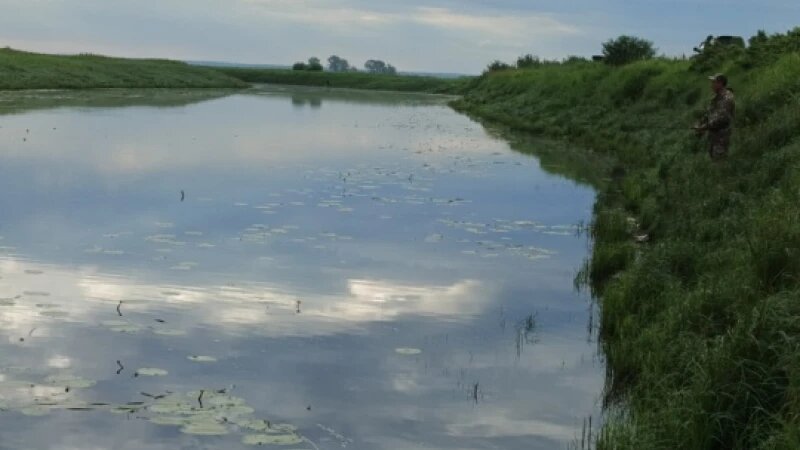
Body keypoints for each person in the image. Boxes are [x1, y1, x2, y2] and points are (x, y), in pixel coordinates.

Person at [694, 73, 736, 161]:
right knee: (713, 162)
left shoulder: (727, 98)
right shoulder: (716, 98)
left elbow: (721, 119)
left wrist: (704, 127)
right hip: (714, 138)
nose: (711, 85)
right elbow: (709, 114)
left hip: (721, 138)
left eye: (714, 82)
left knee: (719, 164)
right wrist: (700, 124)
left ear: (720, 84)